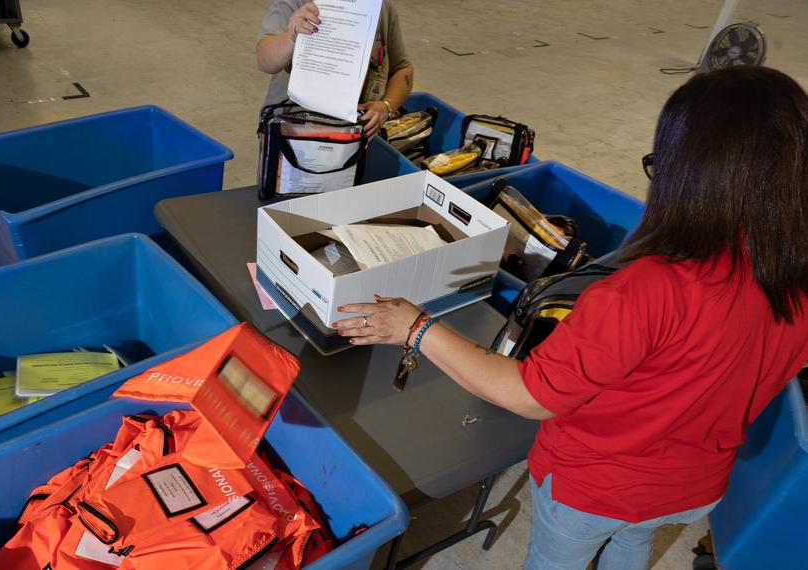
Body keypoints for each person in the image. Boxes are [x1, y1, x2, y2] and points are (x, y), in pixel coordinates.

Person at [332, 65, 808, 569]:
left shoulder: (645, 291)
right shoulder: (794, 280)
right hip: (692, 489)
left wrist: (414, 327)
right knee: (635, 538)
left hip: (594, 492)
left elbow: (529, 395)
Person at [256, 0, 414, 137]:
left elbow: (403, 69)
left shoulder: (381, 6)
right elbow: (265, 61)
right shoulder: (295, 2)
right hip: (293, 133)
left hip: (356, 136)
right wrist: (292, 35)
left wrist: (386, 106)